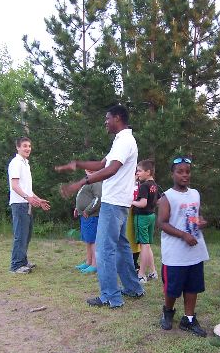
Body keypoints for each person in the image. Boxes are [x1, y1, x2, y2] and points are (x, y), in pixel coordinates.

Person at [56, 104, 145, 308]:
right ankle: (133, 288)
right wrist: (78, 164)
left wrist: (81, 182)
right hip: (119, 202)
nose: (105, 122)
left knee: (104, 250)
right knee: (122, 247)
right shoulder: (121, 141)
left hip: (113, 203)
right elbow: (102, 164)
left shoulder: (125, 141)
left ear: (117, 118)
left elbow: (111, 169)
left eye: (107, 118)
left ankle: (110, 296)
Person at [157, 157, 208, 337]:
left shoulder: (195, 194)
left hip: (195, 251)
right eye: (180, 172)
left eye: (187, 171)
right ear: (172, 174)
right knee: (172, 288)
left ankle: (189, 319)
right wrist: (184, 235)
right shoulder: (167, 197)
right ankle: (168, 311)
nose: (185, 175)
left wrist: (201, 221)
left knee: (193, 287)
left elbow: (194, 215)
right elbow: (162, 223)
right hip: (175, 253)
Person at [8, 136, 51, 274]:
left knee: (26, 235)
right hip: (19, 204)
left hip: (26, 203)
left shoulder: (26, 163)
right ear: (18, 147)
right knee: (20, 235)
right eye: (25, 146)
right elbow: (15, 186)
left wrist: (38, 200)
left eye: (29, 146)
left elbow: (27, 189)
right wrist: (28, 198)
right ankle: (16, 266)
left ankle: (23, 261)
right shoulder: (16, 163)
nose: (28, 149)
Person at [131, 159, 159, 283]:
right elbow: (159, 200)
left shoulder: (144, 186)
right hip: (151, 216)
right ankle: (153, 272)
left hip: (142, 217)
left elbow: (142, 203)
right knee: (147, 245)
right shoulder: (154, 185)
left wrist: (132, 202)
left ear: (148, 172)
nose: (137, 173)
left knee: (144, 246)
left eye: (139, 171)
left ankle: (141, 275)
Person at [74, 169, 102, 274]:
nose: (88, 170)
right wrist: (77, 208)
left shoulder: (96, 181)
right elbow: (84, 197)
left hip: (92, 216)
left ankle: (95, 264)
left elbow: (98, 198)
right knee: (88, 240)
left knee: (93, 240)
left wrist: (88, 210)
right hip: (84, 216)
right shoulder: (87, 181)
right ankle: (88, 262)